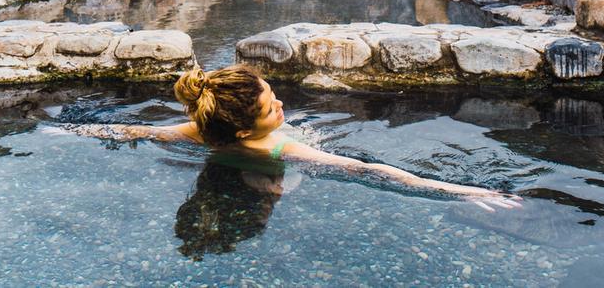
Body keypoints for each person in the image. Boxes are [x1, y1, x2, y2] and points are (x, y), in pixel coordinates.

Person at [56, 64, 523, 212]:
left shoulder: (198, 133)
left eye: (274, 94)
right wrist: (461, 191)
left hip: (228, 171)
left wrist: (64, 129)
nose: (282, 105)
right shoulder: (284, 148)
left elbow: (134, 131)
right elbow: (368, 170)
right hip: (264, 168)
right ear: (244, 130)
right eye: (270, 106)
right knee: (276, 185)